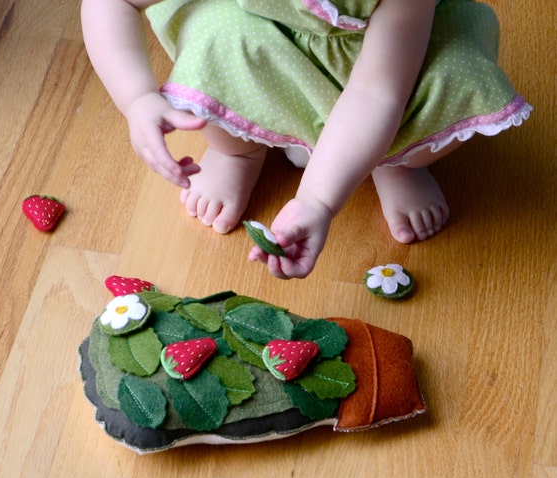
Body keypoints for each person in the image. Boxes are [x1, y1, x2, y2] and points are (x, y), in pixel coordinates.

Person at [81, 0, 532, 279]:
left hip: (386, 66)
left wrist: (317, 200)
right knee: (213, 44)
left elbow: (377, 93)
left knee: (449, 81)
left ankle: (390, 162)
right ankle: (239, 149)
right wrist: (138, 98)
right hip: (263, 41)